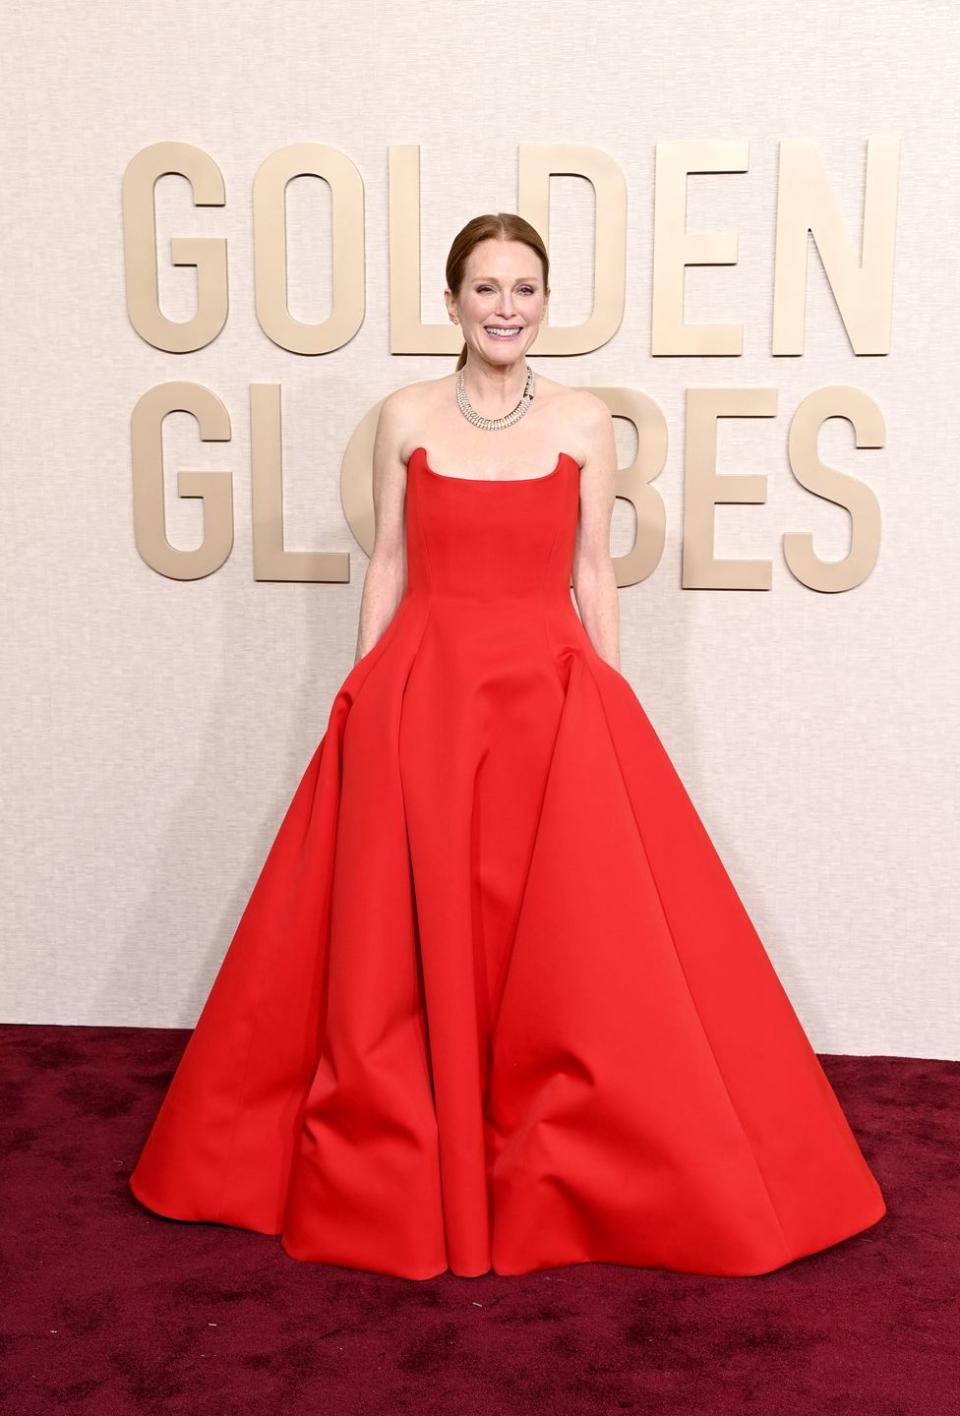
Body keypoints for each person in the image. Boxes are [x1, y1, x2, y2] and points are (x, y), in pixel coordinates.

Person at [129, 212, 886, 1281]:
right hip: (424, 695)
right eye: (485, 289)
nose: (505, 308)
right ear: (452, 302)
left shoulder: (584, 421)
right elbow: (386, 560)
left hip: (544, 698)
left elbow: (595, 572)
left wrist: (610, 702)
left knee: (562, 936)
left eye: (524, 288)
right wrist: (361, 689)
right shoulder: (404, 415)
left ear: (545, 299)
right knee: (401, 932)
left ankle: (557, 1161)